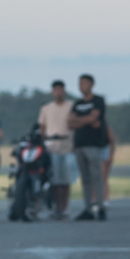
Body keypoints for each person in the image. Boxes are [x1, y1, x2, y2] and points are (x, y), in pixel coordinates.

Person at [69, 74, 108, 221]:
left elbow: (94, 118)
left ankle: (101, 207)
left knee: (96, 177)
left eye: (84, 83)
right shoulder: (77, 103)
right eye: (79, 83)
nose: (81, 86)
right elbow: (70, 122)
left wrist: (79, 120)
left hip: (93, 144)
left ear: (91, 84)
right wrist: (87, 121)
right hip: (79, 144)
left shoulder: (98, 101)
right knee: (85, 179)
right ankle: (88, 208)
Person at [38, 80, 76, 219]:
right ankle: (56, 207)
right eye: (56, 90)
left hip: (67, 146)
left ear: (64, 91)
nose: (58, 92)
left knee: (65, 180)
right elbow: (42, 127)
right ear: (52, 92)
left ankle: (64, 207)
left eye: (61, 90)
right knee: (54, 180)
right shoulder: (46, 108)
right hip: (52, 147)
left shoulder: (71, 106)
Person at [102, 125, 117, 207]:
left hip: (105, 153)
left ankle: (105, 199)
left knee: (104, 178)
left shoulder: (106, 128)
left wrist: (111, 155)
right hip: (98, 153)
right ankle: (95, 199)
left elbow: (112, 142)